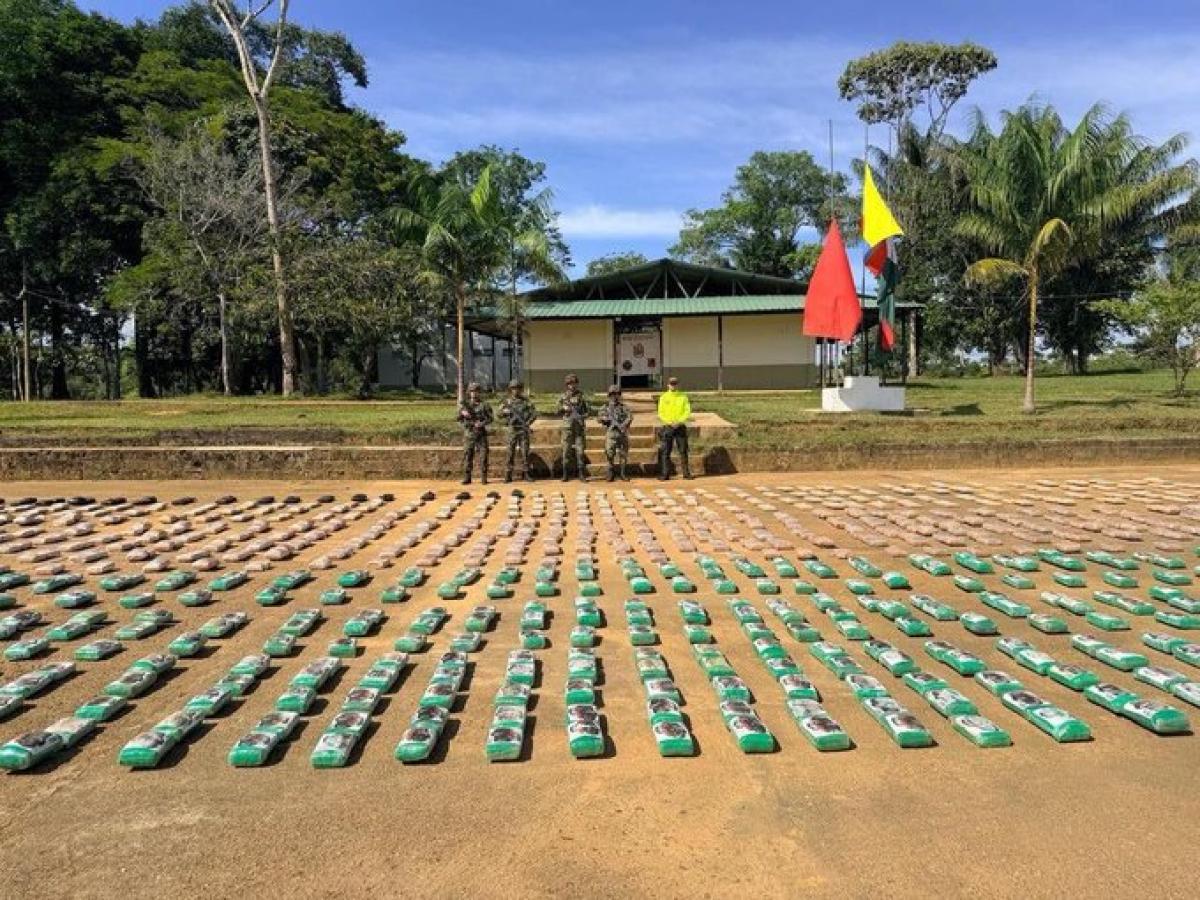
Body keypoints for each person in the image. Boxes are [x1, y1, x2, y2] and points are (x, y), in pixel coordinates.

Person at [498, 379, 537, 483]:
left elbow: (534, 414)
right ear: (510, 390)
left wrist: (528, 423)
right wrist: (505, 412)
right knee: (510, 452)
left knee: (525, 452)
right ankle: (508, 474)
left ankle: (527, 473)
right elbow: (498, 414)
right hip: (512, 429)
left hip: (523, 429)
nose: (516, 391)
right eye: (513, 388)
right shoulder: (507, 402)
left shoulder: (526, 401)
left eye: (518, 388)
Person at [456, 382, 493, 485]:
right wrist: (463, 416)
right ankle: (467, 477)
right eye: (472, 391)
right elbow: (458, 419)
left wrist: (481, 424)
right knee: (468, 455)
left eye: (476, 391)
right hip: (469, 434)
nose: (474, 393)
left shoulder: (484, 405)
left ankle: (484, 477)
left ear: (479, 392)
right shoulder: (465, 405)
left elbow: (490, 418)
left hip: (481, 434)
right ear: (469, 392)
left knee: (484, 456)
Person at [656, 375, 693, 480]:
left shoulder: (683, 397)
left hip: (680, 426)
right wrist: (669, 422)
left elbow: (687, 411)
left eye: (675, 384)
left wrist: (680, 421)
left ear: (678, 385)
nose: (673, 386)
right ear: (668, 385)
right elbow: (660, 413)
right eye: (671, 384)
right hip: (668, 426)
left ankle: (686, 473)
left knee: (683, 450)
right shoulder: (663, 397)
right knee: (666, 452)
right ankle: (665, 474)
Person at [557, 373, 591, 482]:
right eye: (570, 383)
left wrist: (582, 417)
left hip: (579, 427)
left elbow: (588, 411)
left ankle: (581, 473)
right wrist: (563, 408)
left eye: (574, 383)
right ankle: (565, 474)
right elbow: (557, 410)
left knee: (580, 451)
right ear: (567, 385)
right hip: (567, 427)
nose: (572, 385)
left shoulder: (581, 396)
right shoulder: (563, 397)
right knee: (566, 450)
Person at [597, 384, 632, 482]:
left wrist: (623, 425)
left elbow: (629, 417)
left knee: (623, 454)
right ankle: (610, 472)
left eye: (616, 394)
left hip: (622, 433)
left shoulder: (623, 407)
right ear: (609, 395)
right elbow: (599, 418)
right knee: (609, 453)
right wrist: (605, 419)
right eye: (612, 394)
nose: (614, 396)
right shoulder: (605, 407)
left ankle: (623, 473)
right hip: (611, 432)